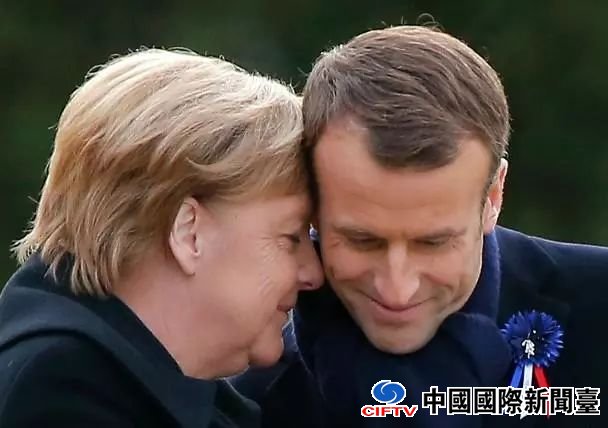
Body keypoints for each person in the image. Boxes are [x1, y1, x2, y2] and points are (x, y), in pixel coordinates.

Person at [231, 26, 608, 427]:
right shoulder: (249, 396)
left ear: (494, 196)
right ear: (311, 207)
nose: (398, 289)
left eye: (434, 243)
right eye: (363, 241)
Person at [0, 48, 323, 427]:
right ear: (189, 232)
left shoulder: (106, 380)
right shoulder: (61, 395)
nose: (313, 273)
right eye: (290, 237)